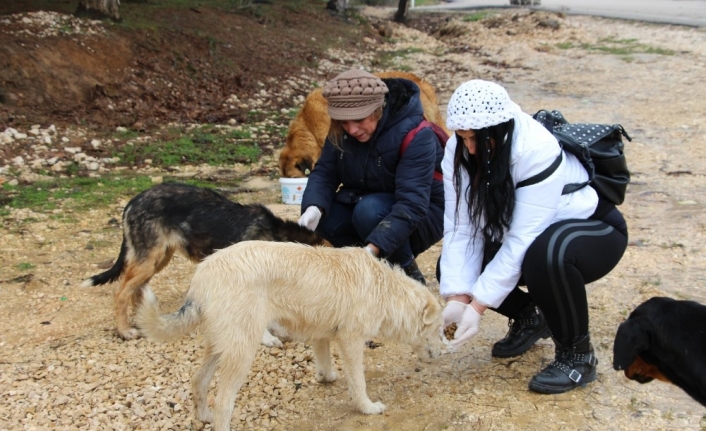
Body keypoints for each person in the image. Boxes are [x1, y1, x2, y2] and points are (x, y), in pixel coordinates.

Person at [438, 80, 628, 394]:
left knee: (545, 253)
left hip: (593, 231)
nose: (469, 147)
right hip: (532, 235)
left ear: (500, 129)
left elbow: (521, 239)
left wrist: (478, 307)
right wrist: (458, 297)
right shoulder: (458, 149)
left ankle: (578, 357)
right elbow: (461, 227)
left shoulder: (535, 148)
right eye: (463, 137)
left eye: (477, 139)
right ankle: (530, 318)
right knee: (454, 270)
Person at [297, 68, 444, 285]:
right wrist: (313, 207)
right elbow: (325, 173)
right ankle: (369, 279)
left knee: (369, 211)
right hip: (369, 202)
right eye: (344, 122)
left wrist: (371, 250)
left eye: (359, 120)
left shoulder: (415, 134)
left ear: (378, 108)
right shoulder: (343, 131)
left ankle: (408, 277)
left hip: (422, 213)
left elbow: (412, 205)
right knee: (328, 218)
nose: (353, 129)